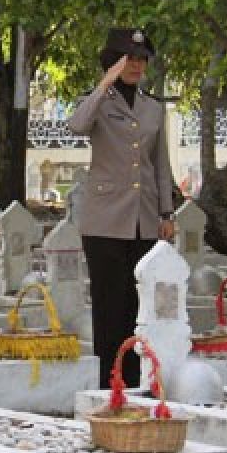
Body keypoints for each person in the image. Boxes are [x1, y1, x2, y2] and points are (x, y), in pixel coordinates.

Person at [67, 27, 174, 389]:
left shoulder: (154, 108)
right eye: (130, 58)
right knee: (109, 306)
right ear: (114, 61)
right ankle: (107, 382)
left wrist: (166, 213)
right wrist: (104, 84)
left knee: (137, 307)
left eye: (142, 59)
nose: (137, 65)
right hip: (105, 221)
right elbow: (77, 125)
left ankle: (134, 380)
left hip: (143, 220)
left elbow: (160, 163)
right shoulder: (98, 102)